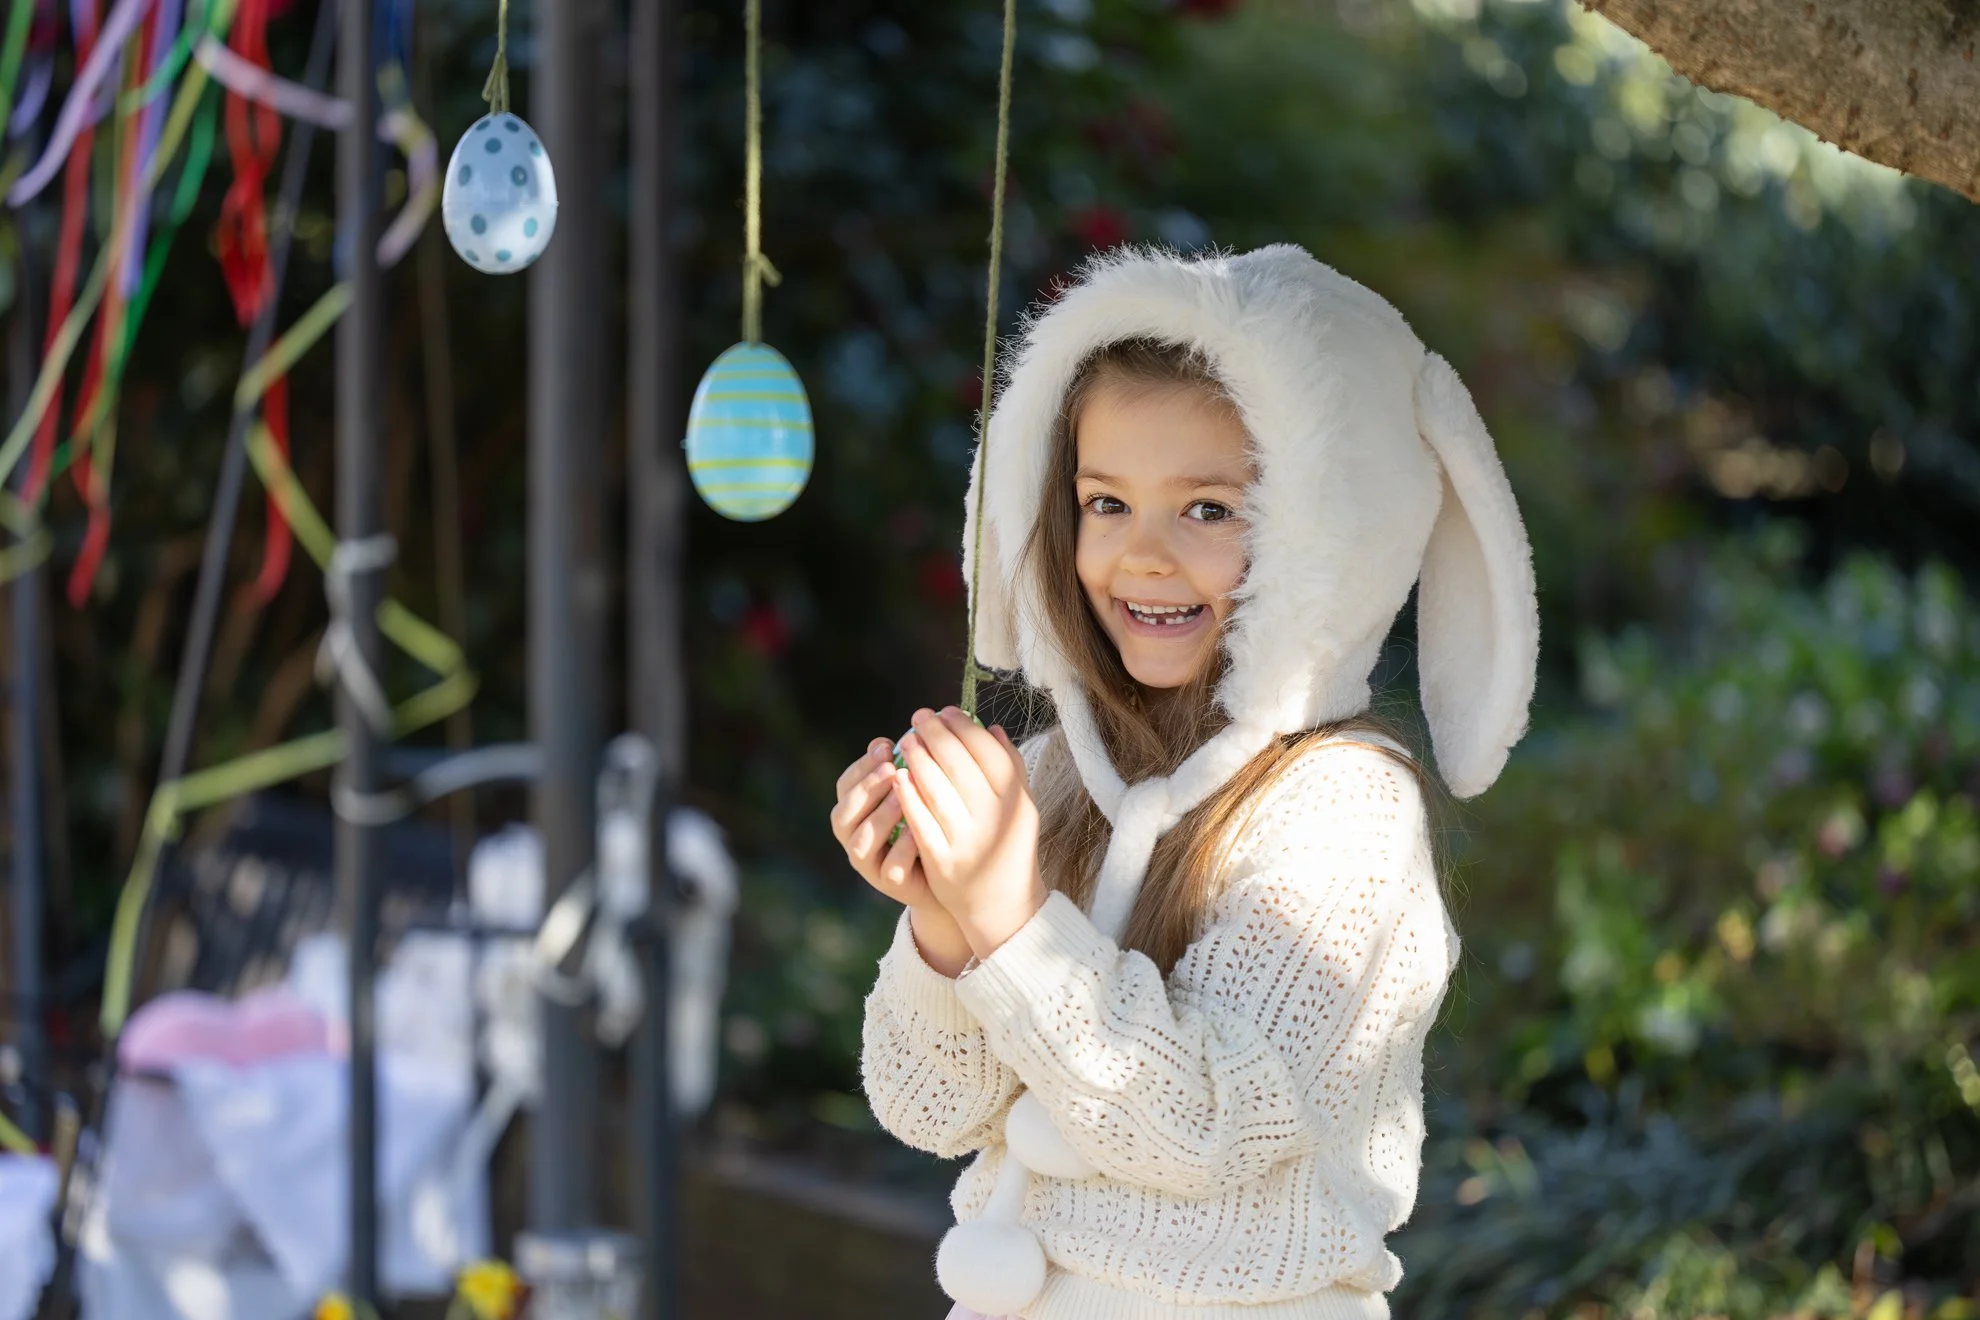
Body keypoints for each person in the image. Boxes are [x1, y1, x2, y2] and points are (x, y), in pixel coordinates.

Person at [832, 245, 1540, 1320]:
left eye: (1208, 509)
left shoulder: (1345, 811)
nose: (1144, 555)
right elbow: (928, 1103)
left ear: (1331, 532)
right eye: (1105, 503)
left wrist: (1009, 920)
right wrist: (941, 923)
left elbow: (1205, 1123)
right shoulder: (1059, 777)